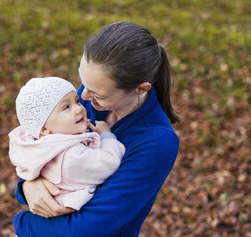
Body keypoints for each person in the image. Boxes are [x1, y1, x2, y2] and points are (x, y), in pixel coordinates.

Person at [13, 21, 180, 237]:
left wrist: (23, 223)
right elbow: (46, 142)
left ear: (140, 89)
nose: (83, 97)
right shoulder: (90, 99)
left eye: (97, 94)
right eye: (83, 83)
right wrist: (28, 184)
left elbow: (87, 229)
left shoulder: (157, 143)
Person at [9, 77, 125, 211]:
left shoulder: (46, 147)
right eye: (66, 107)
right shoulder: (70, 157)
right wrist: (106, 135)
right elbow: (109, 163)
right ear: (44, 129)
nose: (78, 109)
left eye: (77, 101)